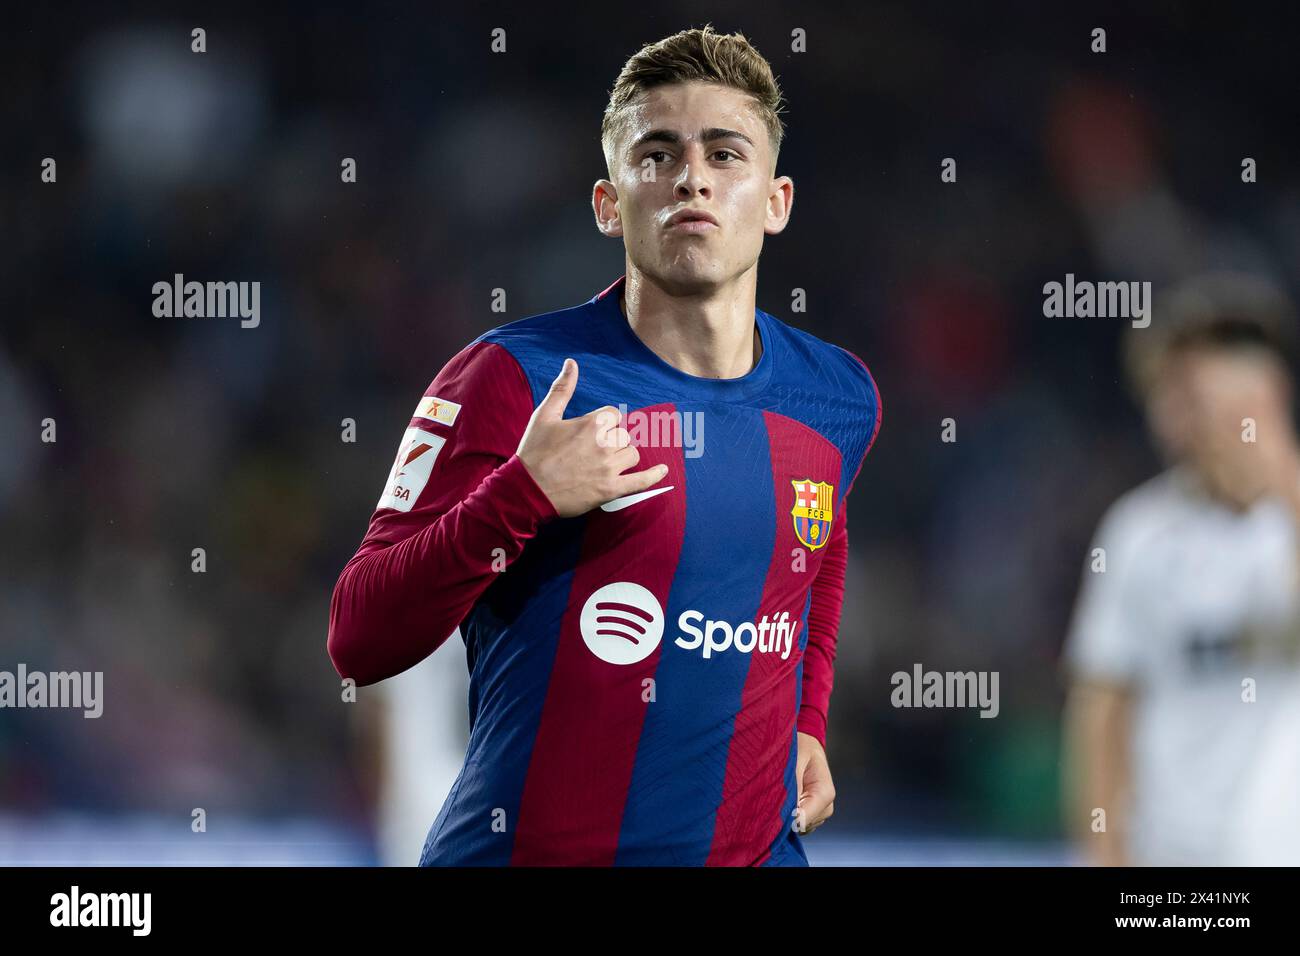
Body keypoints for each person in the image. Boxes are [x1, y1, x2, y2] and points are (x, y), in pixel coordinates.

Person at [328, 25, 881, 866]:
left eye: (726, 154)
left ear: (777, 202)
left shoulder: (837, 398)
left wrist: (806, 718)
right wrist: (521, 495)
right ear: (608, 202)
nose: (691, 175)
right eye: (657, 154)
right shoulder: (510, 377)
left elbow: (819, 541)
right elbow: (359, 634)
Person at [1062, 272, 1300, 866]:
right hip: (1169, 865)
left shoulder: (1288, 517)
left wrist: (1280, 469)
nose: (1169, 411)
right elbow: (1101, 710)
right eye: (1161, 392)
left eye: (1188, 390)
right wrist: (1103, 856)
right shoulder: (1139, 529)